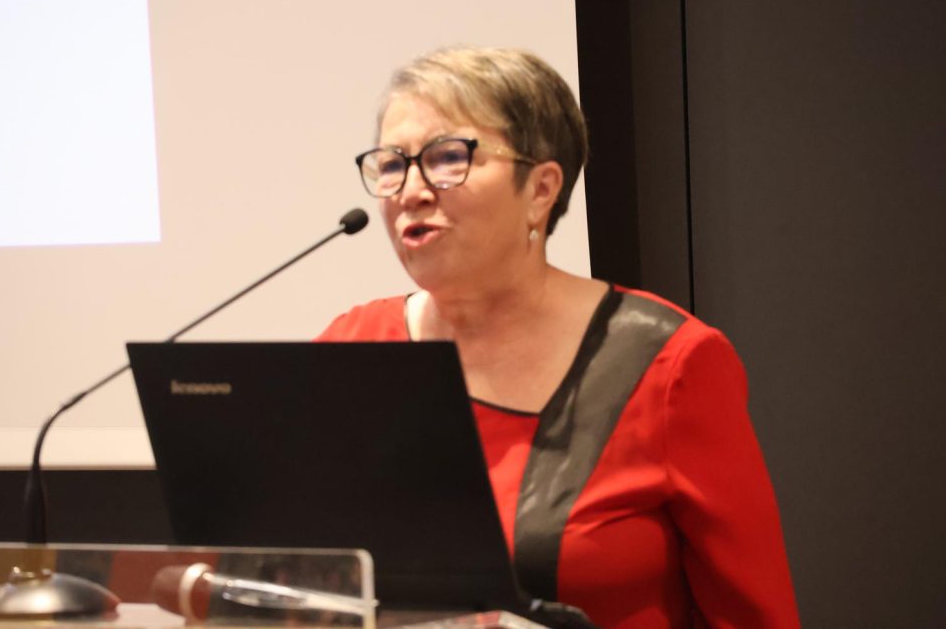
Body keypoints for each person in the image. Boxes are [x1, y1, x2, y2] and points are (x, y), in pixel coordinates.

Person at [317, 47, 799, 628]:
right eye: (393, 164)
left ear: (542, 189)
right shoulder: (353, 348)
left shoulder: (665, 364)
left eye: (448, 158)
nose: (410, 191)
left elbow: (754, 617)